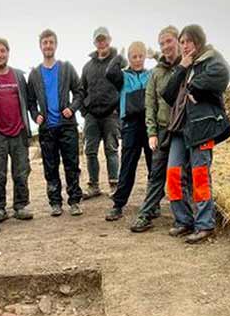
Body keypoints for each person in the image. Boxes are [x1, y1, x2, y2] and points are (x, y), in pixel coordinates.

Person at [161, 24, 230, 244]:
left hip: (202, 127)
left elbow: (223, 74)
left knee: (200, 176)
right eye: (181, 42)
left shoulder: (211, 59)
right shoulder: (183, 65)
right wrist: (182, 67)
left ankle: (205, 225)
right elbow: (167, 93)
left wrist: (194, 87)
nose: (184, 46)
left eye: (187, 42)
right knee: (173, 175)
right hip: (179, 129)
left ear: (198, 42)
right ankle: (183, 221)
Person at [130, 26, 182, 232]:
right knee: (157, 174)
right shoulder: (156, 73)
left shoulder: (187, 67)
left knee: (181, 174)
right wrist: (151, 132)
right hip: (162, 130)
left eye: (169, 41)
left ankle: (185, 218)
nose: (166, 46)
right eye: (162, 43)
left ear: (178, 41)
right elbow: (150, 103)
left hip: (183, 130)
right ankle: (146, 214)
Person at [27, 29, 84, 217]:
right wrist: (36, 116)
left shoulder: (66, 68)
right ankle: (55, 203)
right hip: (47, 129)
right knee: (50, 167)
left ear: (56, 45)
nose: (48, 46)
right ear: (40, 46)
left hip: (66, 126)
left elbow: (79, 92)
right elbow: (30, 101)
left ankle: (74, 201)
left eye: (51, 42)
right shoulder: (34, 74)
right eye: (45, 42)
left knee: (71, 164)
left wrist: (72, 108)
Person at [0, 38, 33, 223]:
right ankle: (0, 208)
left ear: (8, 52)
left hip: (18, 130)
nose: (0, 54)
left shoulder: (18, 75)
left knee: (21, 171)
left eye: (3, 51)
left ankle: (20, 206)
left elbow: (28, 100)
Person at [104, 41, 152, 221]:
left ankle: (152, 204)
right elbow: (109, 72)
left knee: (153, 166)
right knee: (127, 166)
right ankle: (118, 205)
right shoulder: (123, 77)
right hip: (130, 125)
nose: (138, 60)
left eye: (141, 56)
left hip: (149, 124)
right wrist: (120, 57)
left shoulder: (151, 75)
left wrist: (156, 56)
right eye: (134, 57)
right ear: (129, 58)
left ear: (145, 56)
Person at [80, 27, 124, 199]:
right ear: (94, 43)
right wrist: (84, 111)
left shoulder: (118, 62)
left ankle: (115, 185)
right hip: (92, 115)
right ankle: (93, 186)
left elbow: (124, 86)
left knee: (111, 149)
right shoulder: (87, 67)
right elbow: (81, 89)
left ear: (109, 40)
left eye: (104, 39)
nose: (101, 43)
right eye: (98, 40)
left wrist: (118, 110)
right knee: (90, 150)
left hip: (111, 114)